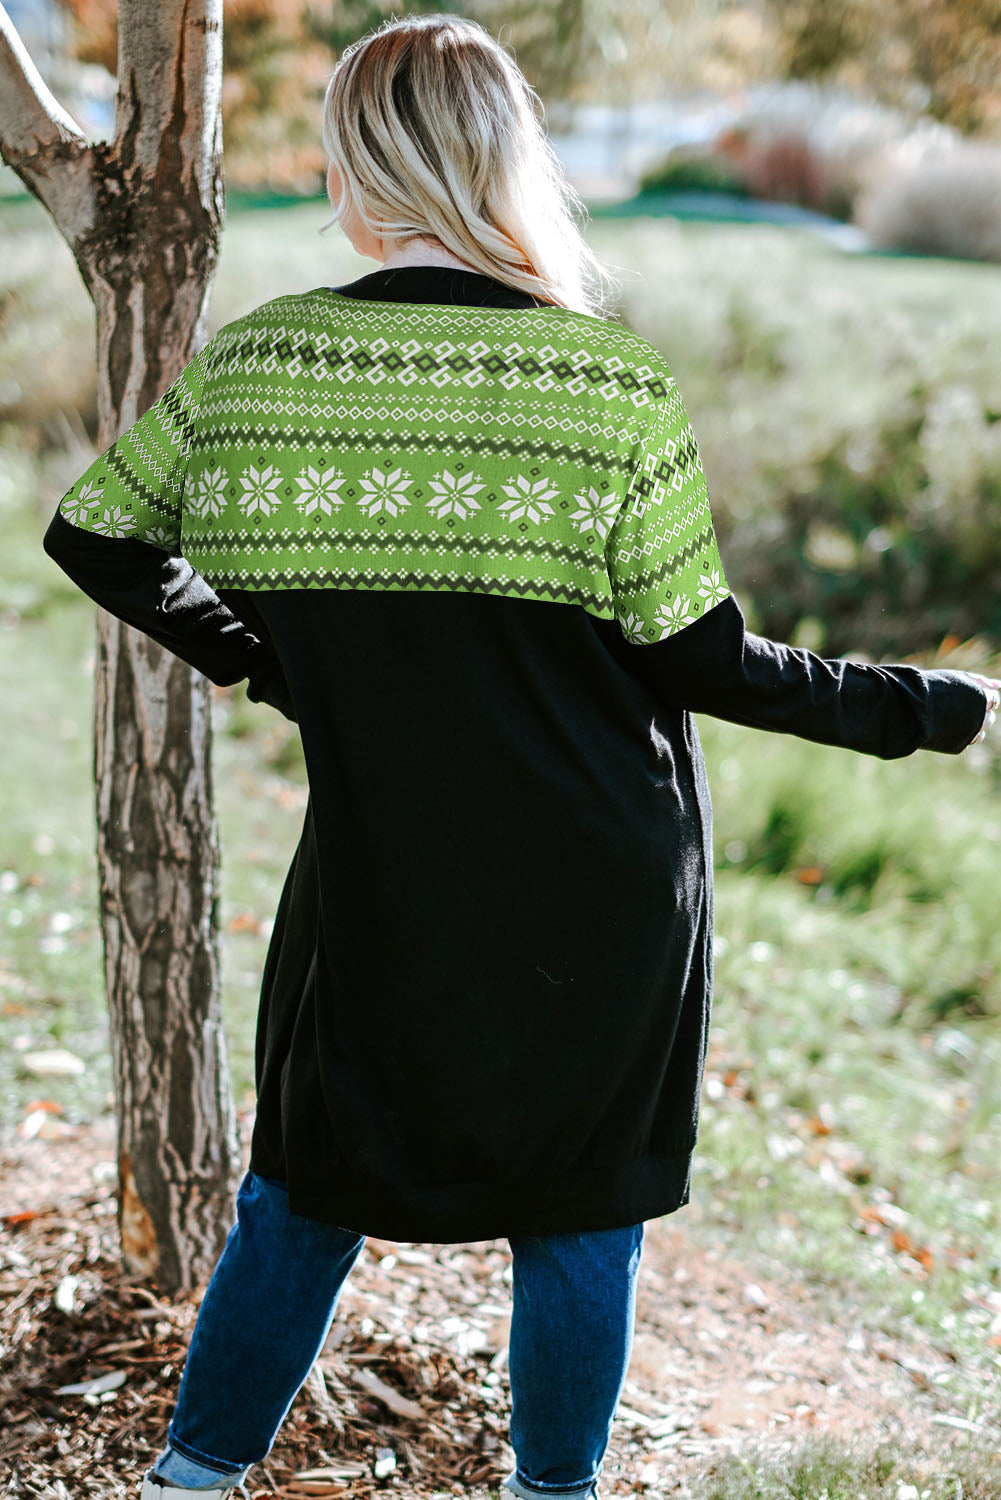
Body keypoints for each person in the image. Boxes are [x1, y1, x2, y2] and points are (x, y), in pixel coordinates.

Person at [41, 14, 1000, 1500]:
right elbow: (699, 664)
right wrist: (926, 707)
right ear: (506, 156)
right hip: (601, 890)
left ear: (360, 159)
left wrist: (268, 658)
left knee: (299, 1197)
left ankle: (188, 1478)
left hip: (376, 876)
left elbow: (93, 535)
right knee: (579, 1218)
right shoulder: (603, 386)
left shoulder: (264, 363)